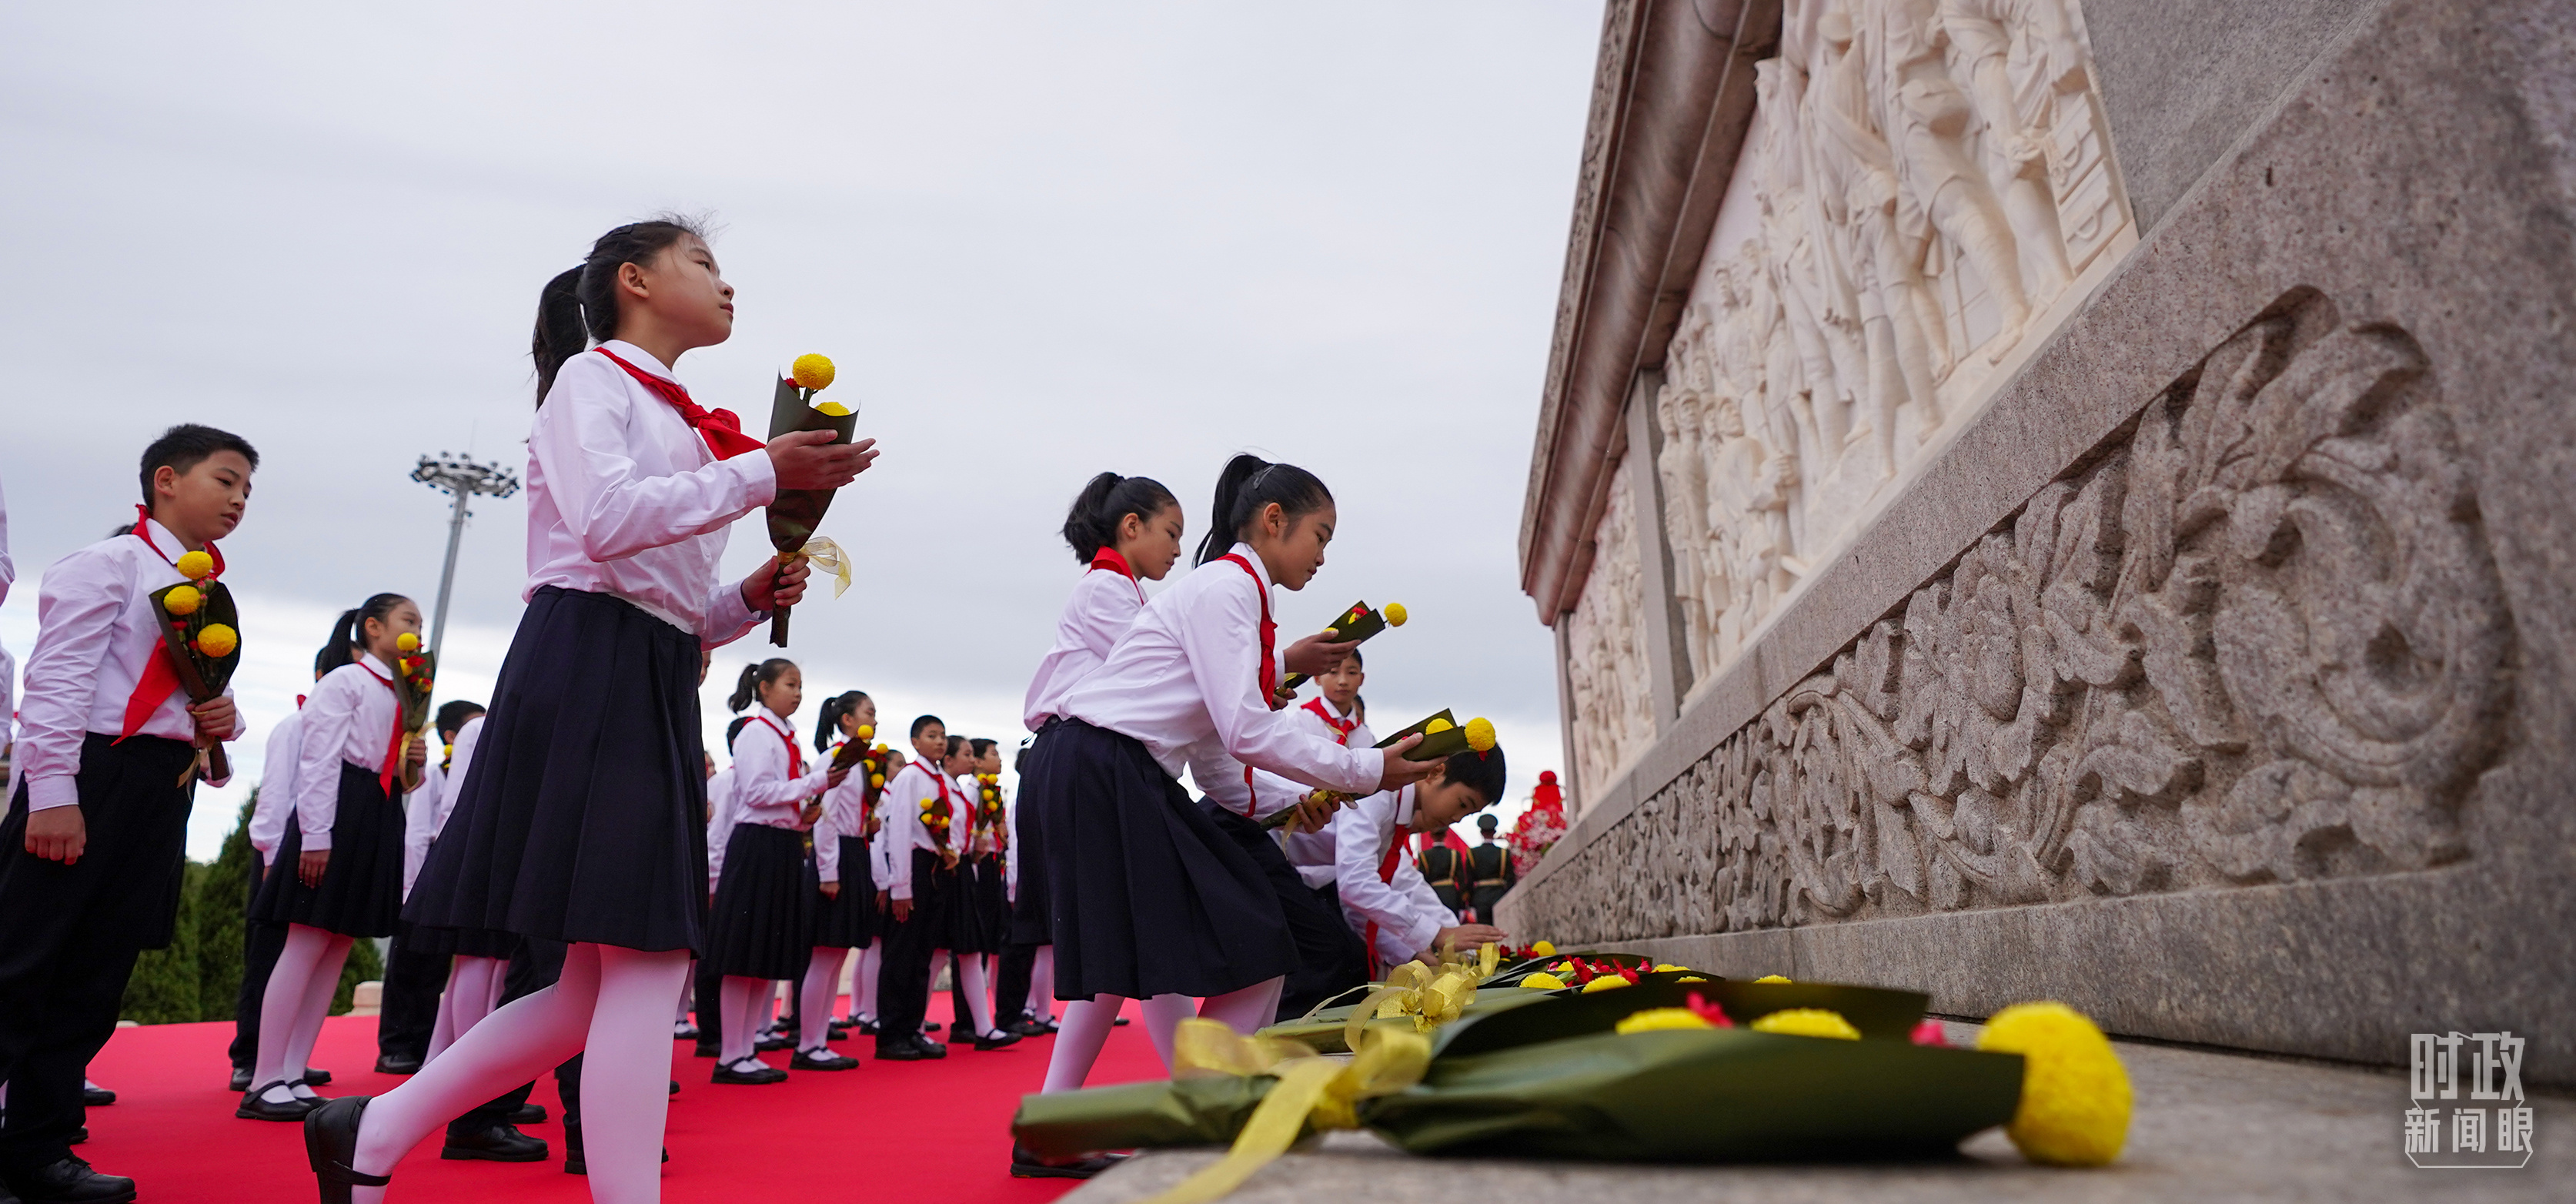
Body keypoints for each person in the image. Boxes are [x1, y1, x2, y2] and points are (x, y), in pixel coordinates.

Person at [308, 216, 877, 1204]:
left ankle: (374, 1128)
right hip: (585, 665)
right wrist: (760, 473)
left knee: (588, 985)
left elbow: (670, 606)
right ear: (635, 282)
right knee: (646, 966)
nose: (726, 285)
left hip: (645, 669)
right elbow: (607, 528)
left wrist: (747, 597)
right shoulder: (592, 382)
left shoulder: (686, 417)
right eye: (703, 263)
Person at [1024, 453, 1442, 1171]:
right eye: (1320, 534)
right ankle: (1201, 1117)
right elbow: (1246, 729)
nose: (1322, 555)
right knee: (1255, 937)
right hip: (1102, 765)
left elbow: (1219, 758)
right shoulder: (1227, 590)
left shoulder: (1238, 596)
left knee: (1127, 961)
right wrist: (1367, 770)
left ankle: (1065, 1128)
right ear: (1273, 522)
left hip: (1101, 765)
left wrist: (1293, 802)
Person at [0, 424, 253, 1203]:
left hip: (159, 789)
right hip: (87, 774)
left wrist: (223, 724)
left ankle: (38, 1153)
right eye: (226, 479)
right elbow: (57, 685)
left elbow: (188, 701)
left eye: (248, 489)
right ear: (167, 479)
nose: (239, 499)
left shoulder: (207, 590)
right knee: (19, 968)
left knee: (95, 976)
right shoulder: (105, 564)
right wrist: (53, 797)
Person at [1009, 472, 1185, 1057]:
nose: (1178, 551)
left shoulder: (1124, 590)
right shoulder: (1104, 589)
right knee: (1137, 932)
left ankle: (1193, 1085)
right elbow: (1163, 672)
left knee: (1137, 936)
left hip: (1096, 762)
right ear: (1131, 527)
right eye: (1172, 533)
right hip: (1085, 760)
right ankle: (1197, 1086)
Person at [241, 597, 429, 1122]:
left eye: (419, 623)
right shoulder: (344, 682)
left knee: (338, 944)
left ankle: (293, 1071)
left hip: (381, 810)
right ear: (373, 628)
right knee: (305, 940)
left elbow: (402, 776)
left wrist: (412, 765)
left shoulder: (405, 694)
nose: (417, 631)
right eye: (407, 621)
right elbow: (319, 760)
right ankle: (263, 1077)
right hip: (340, 808)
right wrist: (316, 835)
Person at [708, 659, 844, 1084]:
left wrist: (806, 815)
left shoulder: (788, 738)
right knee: (743, 954)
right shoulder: (756, 733)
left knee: (763, 953)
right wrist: (814, 784)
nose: (798, 693)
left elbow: (779, 801)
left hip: (782, 846)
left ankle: (746, 1049)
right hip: (756, 847)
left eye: (801, 685)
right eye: (790, 684)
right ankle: (731, 1054)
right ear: (764, 688)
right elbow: (755, 793)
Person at [230, 657, 336, 1093]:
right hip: (281, 851)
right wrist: (271, 854)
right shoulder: (294, 727)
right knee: (269, 954)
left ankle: (288, 1057)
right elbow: (274, 794)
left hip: (315, 848)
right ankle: (250, 1057)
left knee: (306, 957)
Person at [1324, 747, 1513, 976]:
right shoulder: (1380, 793)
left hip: (1316, 887)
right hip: (1280, 861)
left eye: (1467, 815)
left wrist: (1424, 950)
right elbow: (1355, 885)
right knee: (1333, 958)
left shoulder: (1394, 824)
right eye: (1463, 804)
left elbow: (1409, 888)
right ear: (1435, 772)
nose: (1456, 819)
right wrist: (1438, 934)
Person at [376, 700, 486, 1075]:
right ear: (453, 736)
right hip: (424, 884)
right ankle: (395, 1046)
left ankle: (425, 1046)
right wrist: (411, 892)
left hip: (448, 887)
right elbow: (418, 834)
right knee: (410, 971)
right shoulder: (437, 776)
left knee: (436, 971)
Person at [873, 716, 975, 1059]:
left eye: (943, 736)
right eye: (931, 736)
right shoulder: (911, 778)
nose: (939, 742)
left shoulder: (940, 780)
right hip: (913, 868)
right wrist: (900, 887)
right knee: (901, 954)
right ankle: (891, 1035)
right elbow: (899, 830)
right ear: (915, 742)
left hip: (936, 869)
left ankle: (913, 1028)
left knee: (923, 954)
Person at [799, 690, 877, 1066]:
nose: (875, 721)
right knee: (825, 954)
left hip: (855, 852)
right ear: (847, 720)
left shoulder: (864, 763)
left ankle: (818, 1040)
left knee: (838, 952)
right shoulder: (836, 759)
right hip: (837, 856)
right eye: (869, 713)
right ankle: (808, 1044)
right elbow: (825, 818)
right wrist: (828, 872)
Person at [1293, 649, 1372, 749]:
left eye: (1352, 673)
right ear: (1317, 678)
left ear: (1361, 679)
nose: (1343, 681)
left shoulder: (1366, 737)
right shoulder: (1300, 723)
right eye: (1333, 672)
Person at [1466, 813, 1516, 923]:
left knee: (1485, 931)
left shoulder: (1472, 853)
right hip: (1500, 896)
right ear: (1494, 832)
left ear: (1481, 833)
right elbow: (1510, 878)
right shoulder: (1503, 853)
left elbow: (1469, 880)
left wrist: (1470, 902)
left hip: (1480, 898)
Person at [1415, 824, 1468, 919]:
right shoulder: (1454, 854)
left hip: (1432, 895)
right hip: (1451, 895)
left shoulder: (1424, 856)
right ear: (1445, 835)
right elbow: (1461, 880)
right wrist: (1462, 905)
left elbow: (1423, 880)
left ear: (1431, 836)